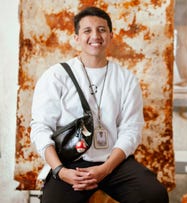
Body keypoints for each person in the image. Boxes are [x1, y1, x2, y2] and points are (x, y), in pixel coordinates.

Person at [30, 6, 169, 203]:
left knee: (154, 195)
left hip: (114, 162)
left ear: (111, 35)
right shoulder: (55, 76)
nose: (95, 35)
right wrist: (59, 170)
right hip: (70, 164)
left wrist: (106, 168)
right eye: (87, 30)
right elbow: (40, 128)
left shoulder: (126, 79)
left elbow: (131, 130)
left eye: (102, 29)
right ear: (76, 37)